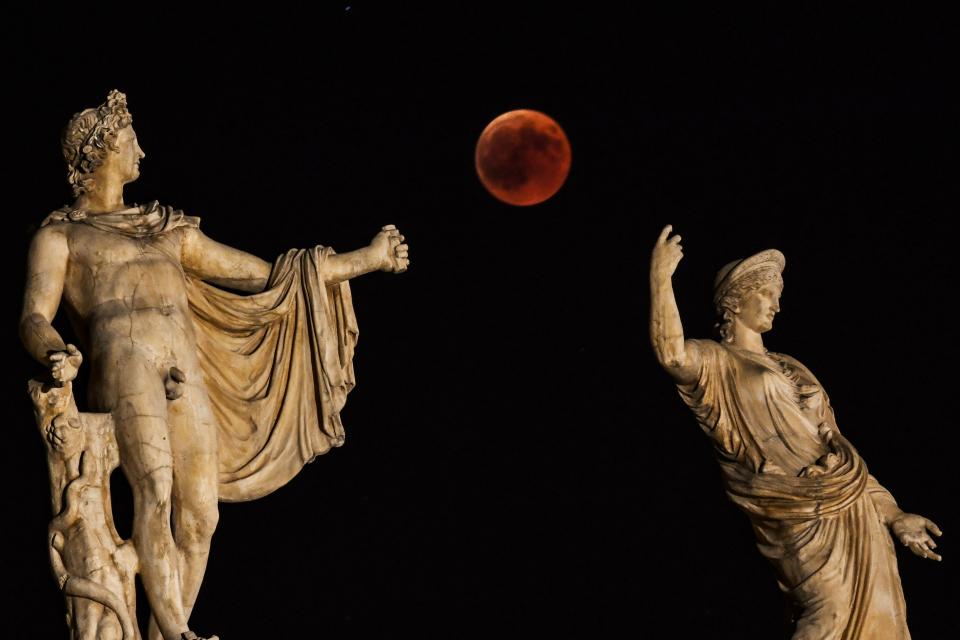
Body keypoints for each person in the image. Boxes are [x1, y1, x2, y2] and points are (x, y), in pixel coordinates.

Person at [20, 90, 410, 640]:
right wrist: (55, 350)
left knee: (201, 516)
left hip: (184, 366)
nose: (143, 153)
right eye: (132, 139)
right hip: (125, 362)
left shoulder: (167, 228)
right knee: (153, 491)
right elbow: (34, 316)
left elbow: (259, 275)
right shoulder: (59, 236)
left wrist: (363, 262)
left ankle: (162, 633)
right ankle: (178, 629)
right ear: (100, 149)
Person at [649, 224, 941, 638]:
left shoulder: (794, 367)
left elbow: (836, 442)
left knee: (883, 616)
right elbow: (671, 354)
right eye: (766, 294)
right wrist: (661, 279)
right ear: (734, 302)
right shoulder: (716, 361)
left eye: (778, 296)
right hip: (793, 505)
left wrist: (894, 514)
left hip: (851, 499)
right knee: (828, 612)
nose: (776, 306)